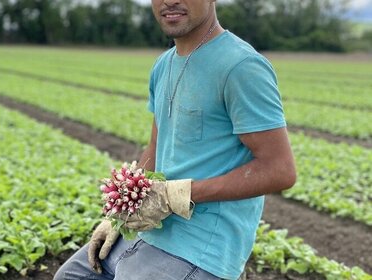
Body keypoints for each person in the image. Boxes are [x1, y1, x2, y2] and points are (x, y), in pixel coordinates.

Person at [54, 0, 297, 279]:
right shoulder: (163, 64)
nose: (169, 1)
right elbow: (157, 147)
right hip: (152, 229)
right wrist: (120, 216)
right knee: (69, 276)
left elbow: (280, 171)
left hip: (200, 246)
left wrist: (177, 195)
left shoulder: (241, 66)